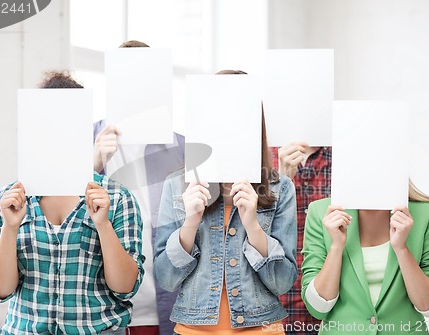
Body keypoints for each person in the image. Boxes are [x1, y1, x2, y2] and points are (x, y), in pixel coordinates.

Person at [0, 71, 144, 335]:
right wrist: (10, 228)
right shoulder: (8, 201)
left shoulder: (117, 198)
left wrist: (103, 226)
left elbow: (125, 287)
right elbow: (1, 291)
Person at [153, 69, 298, 334]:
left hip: (262, 327)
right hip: (193, 328)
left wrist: (253, 226)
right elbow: (165, 279)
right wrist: (189, 224)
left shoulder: (281, 188)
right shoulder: (177, 185)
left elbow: (283, 282)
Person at [94, 40, 184, 335]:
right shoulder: (88, 139)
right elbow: (60, 215)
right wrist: (94, 163)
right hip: (102, 307)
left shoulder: (180, 146)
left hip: (168, 304)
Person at [301, 181, 429, 335]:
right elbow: (317, 307)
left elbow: (428, 305)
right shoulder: (322, 212)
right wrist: (336, 247)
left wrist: (402, 249)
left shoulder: (426, 213)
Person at [270, 143, 331, 335]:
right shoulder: (259, 159)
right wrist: (282, 182)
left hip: (333, 300)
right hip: (274, 301)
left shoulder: (347, 159)